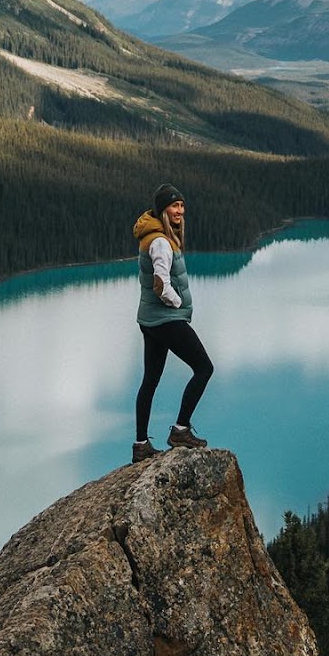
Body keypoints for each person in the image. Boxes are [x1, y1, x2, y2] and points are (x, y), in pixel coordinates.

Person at [131, 183, 214, 462]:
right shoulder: (161, 243)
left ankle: (141, 445)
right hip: (166, 320)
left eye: (181, 206)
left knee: (150, 381)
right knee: (204, 368)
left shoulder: (155, 236)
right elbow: (161, 284)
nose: (179, 211)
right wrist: (178, 304)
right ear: (162, 209)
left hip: (150, 320)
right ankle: (180, 430)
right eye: (174, 206)